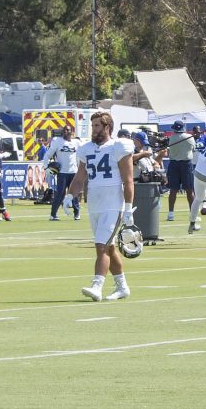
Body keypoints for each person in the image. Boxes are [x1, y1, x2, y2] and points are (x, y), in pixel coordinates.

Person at [67, 111, 135, 302]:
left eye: (97, 126)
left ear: (107, 127)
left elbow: (128, 180)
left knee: (101, 247)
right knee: (110, 248)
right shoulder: (86, 148)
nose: (94, 130)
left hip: (113, 204)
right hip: (95, 204)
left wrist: (128, 207)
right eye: (93, 126)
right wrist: (69, 196)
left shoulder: (119, 146)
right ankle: (122, 287)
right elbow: (80, 178)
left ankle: (97, 285)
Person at [44, 124, 82, 221]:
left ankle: (76, 213)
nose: (66, 132)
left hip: (73, 172)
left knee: (74, 194)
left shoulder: (76, 142)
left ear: (71, 132)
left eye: (68, 130)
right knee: (60, 193)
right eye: (64, 130)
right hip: (62, 173)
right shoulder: (57, 141)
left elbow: (81, 157)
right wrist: (46, 167)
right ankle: (53, 214)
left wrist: (81, 169)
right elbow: (47, 155)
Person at [164, 120, 196, 221]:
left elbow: (169, 152)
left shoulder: (171, 138)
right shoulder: (189, 137)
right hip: (186, 164)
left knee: (173, 190)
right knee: (189, 190)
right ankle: (193, 214)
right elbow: (193, 149)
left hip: (173, 164)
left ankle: (170, 214)